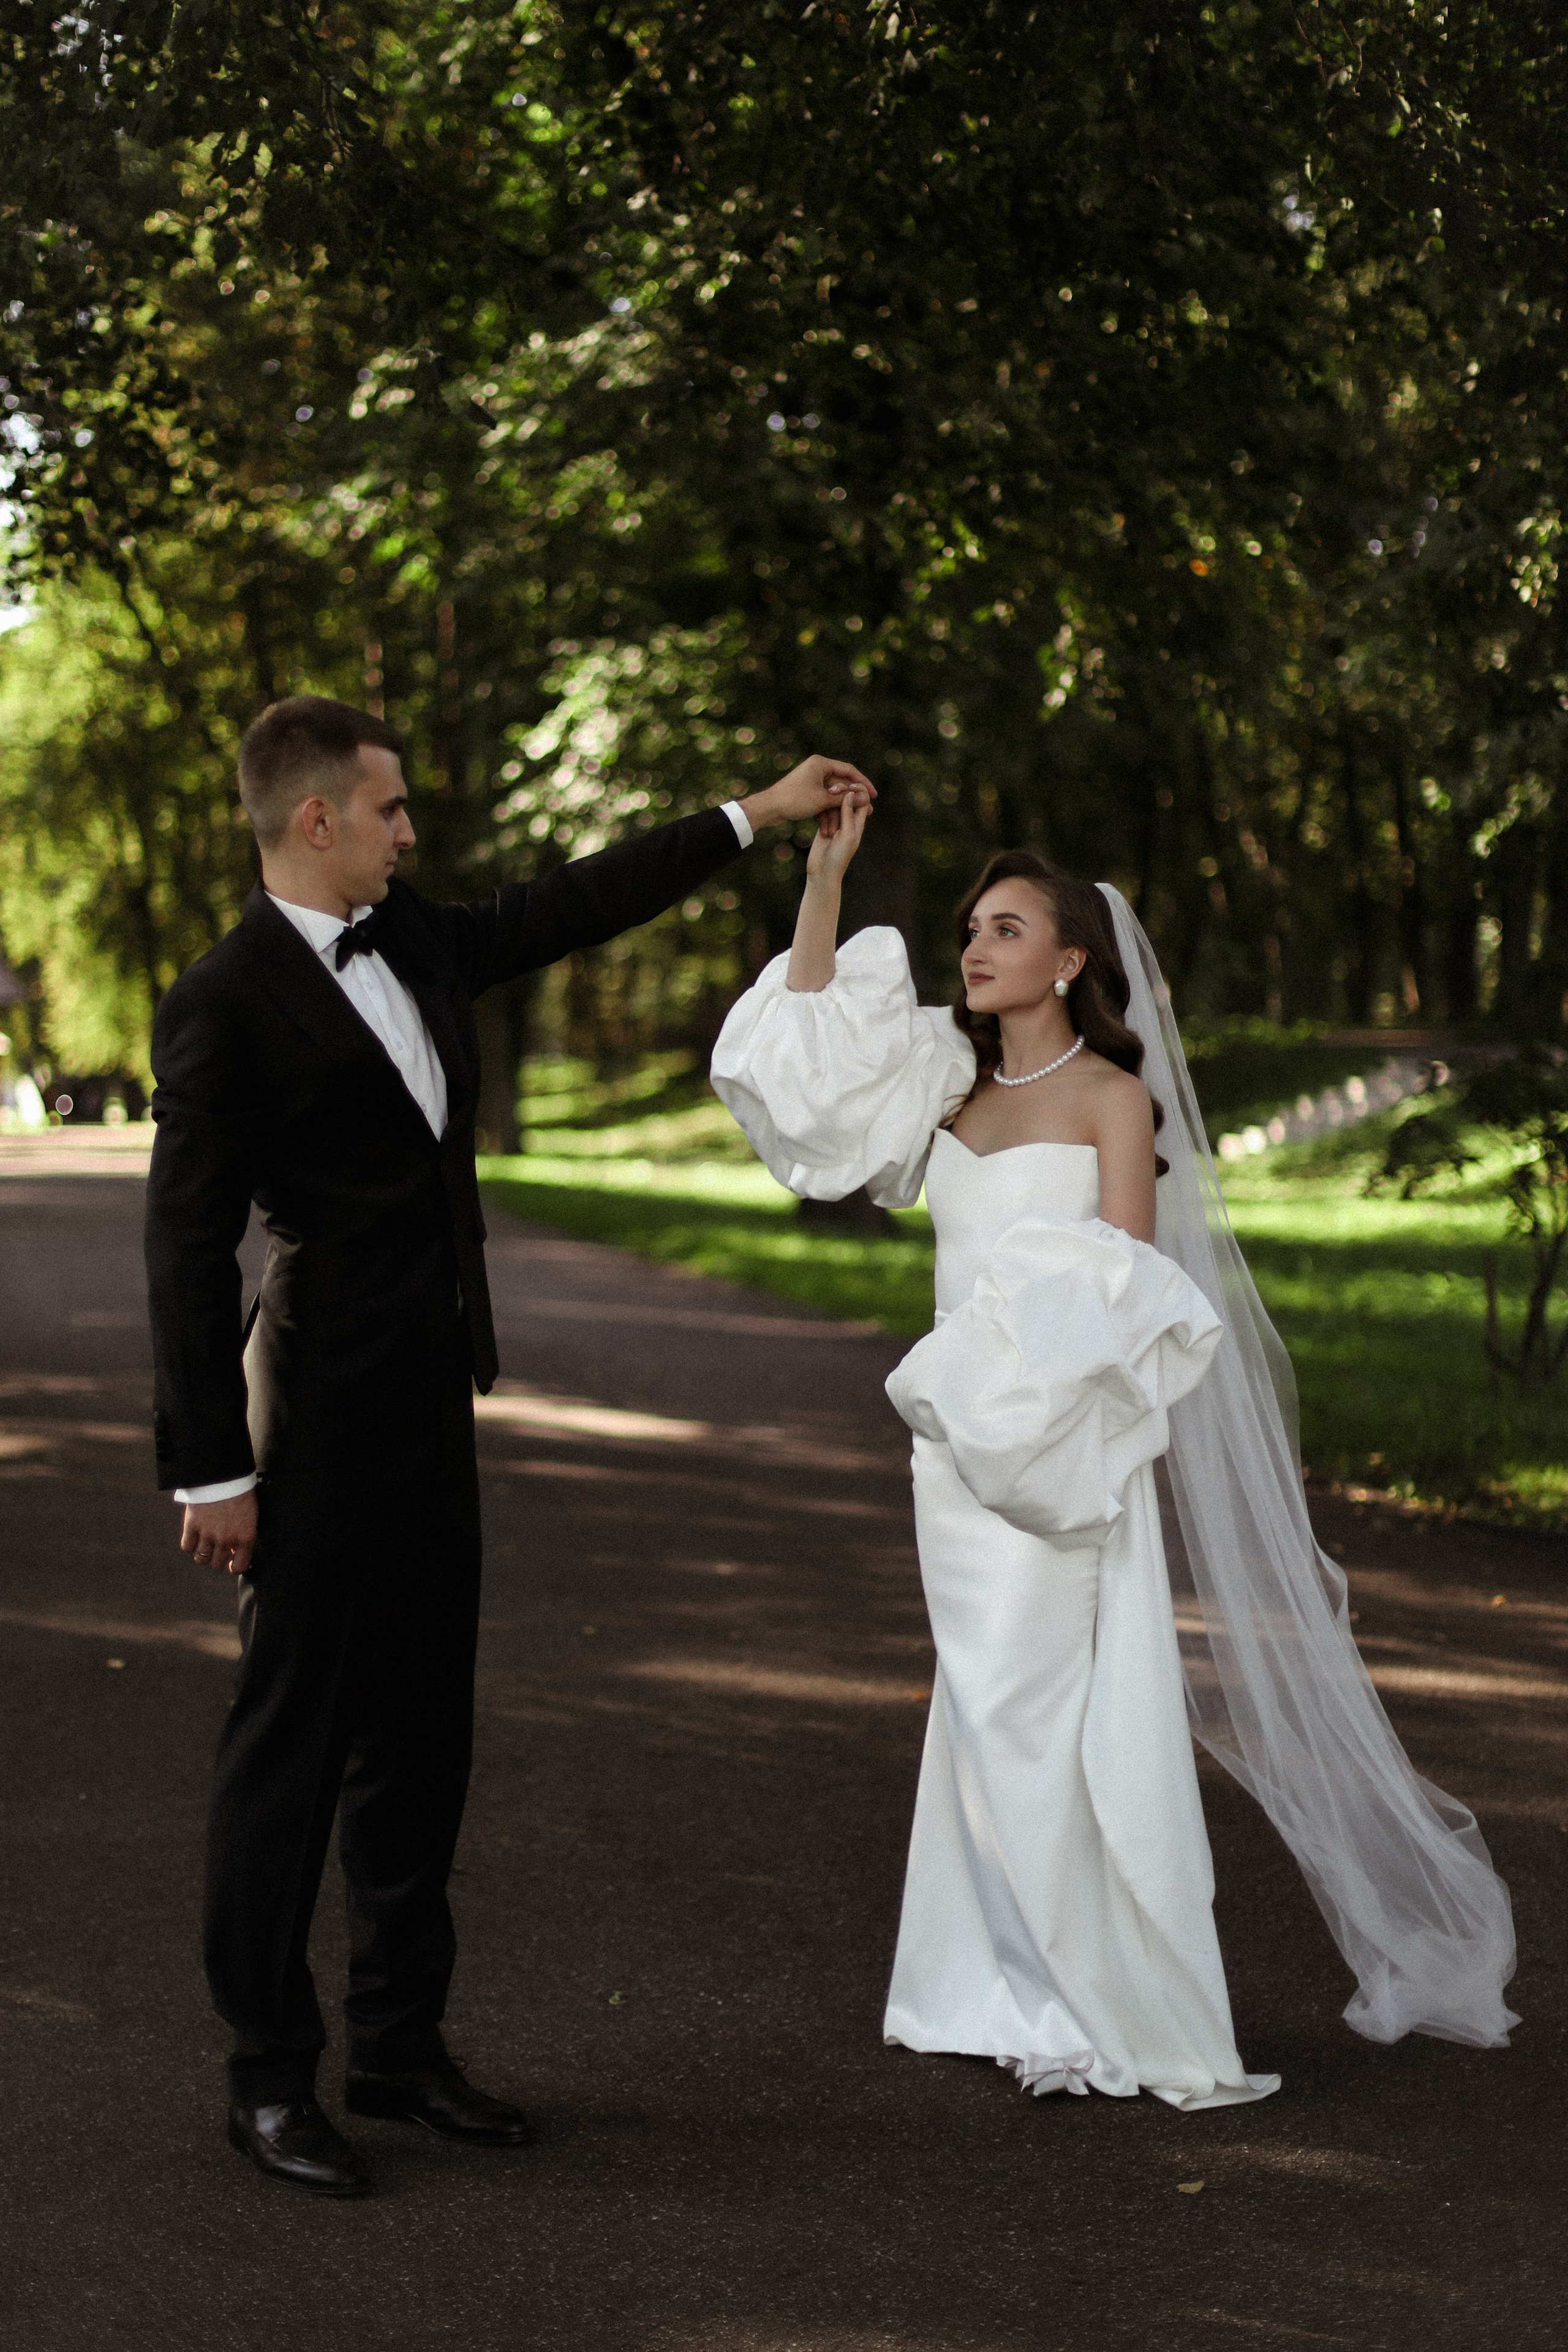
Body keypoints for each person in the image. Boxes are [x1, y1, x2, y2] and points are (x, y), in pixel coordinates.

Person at [145, 692, 873, 2195]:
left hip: (428, 1407)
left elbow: (574, 900)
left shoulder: (413, 939)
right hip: (311, 1420)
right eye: (393, 808)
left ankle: (400, 2054)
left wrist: (756, 812)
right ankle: (269, 2079)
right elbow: (182, 1240)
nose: (414, 831)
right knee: (287, 1750)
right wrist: (210, 1468)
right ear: (314, 820)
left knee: (421, 1743)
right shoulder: (221, 998)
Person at [710, 796, 1517, 2108]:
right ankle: (983, 1981)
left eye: (1007, 928)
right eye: (971, 927)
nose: (975, 948)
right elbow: (797, 1056)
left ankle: (1084, 1995)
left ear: (1068, 960)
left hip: (1062, 1450)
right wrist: (821, 879)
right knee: (979, 1708)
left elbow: (1132, 1289)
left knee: (1033, 1709)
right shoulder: (941, 1082)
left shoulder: (1112, 1100)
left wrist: (1044, 1395)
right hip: (955, 1458)